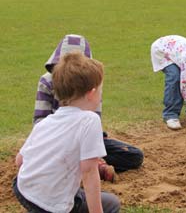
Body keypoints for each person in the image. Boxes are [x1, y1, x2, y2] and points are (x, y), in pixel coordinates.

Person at [13, 52, 121, 213]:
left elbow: (19, 161)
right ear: (91, 94)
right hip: (53, 205)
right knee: (112, 203)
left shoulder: (46, 122)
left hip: (23, 190)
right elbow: (90, 173)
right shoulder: (89, 120)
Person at [34, 34, 144, 174]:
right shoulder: (47, 81)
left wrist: (94, 149)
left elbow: (94, 119)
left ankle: (79, 166)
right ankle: (86, 167)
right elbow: (40, 120)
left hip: (84, 138)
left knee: (134, 156)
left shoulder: (93, 82)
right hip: (54, 140)